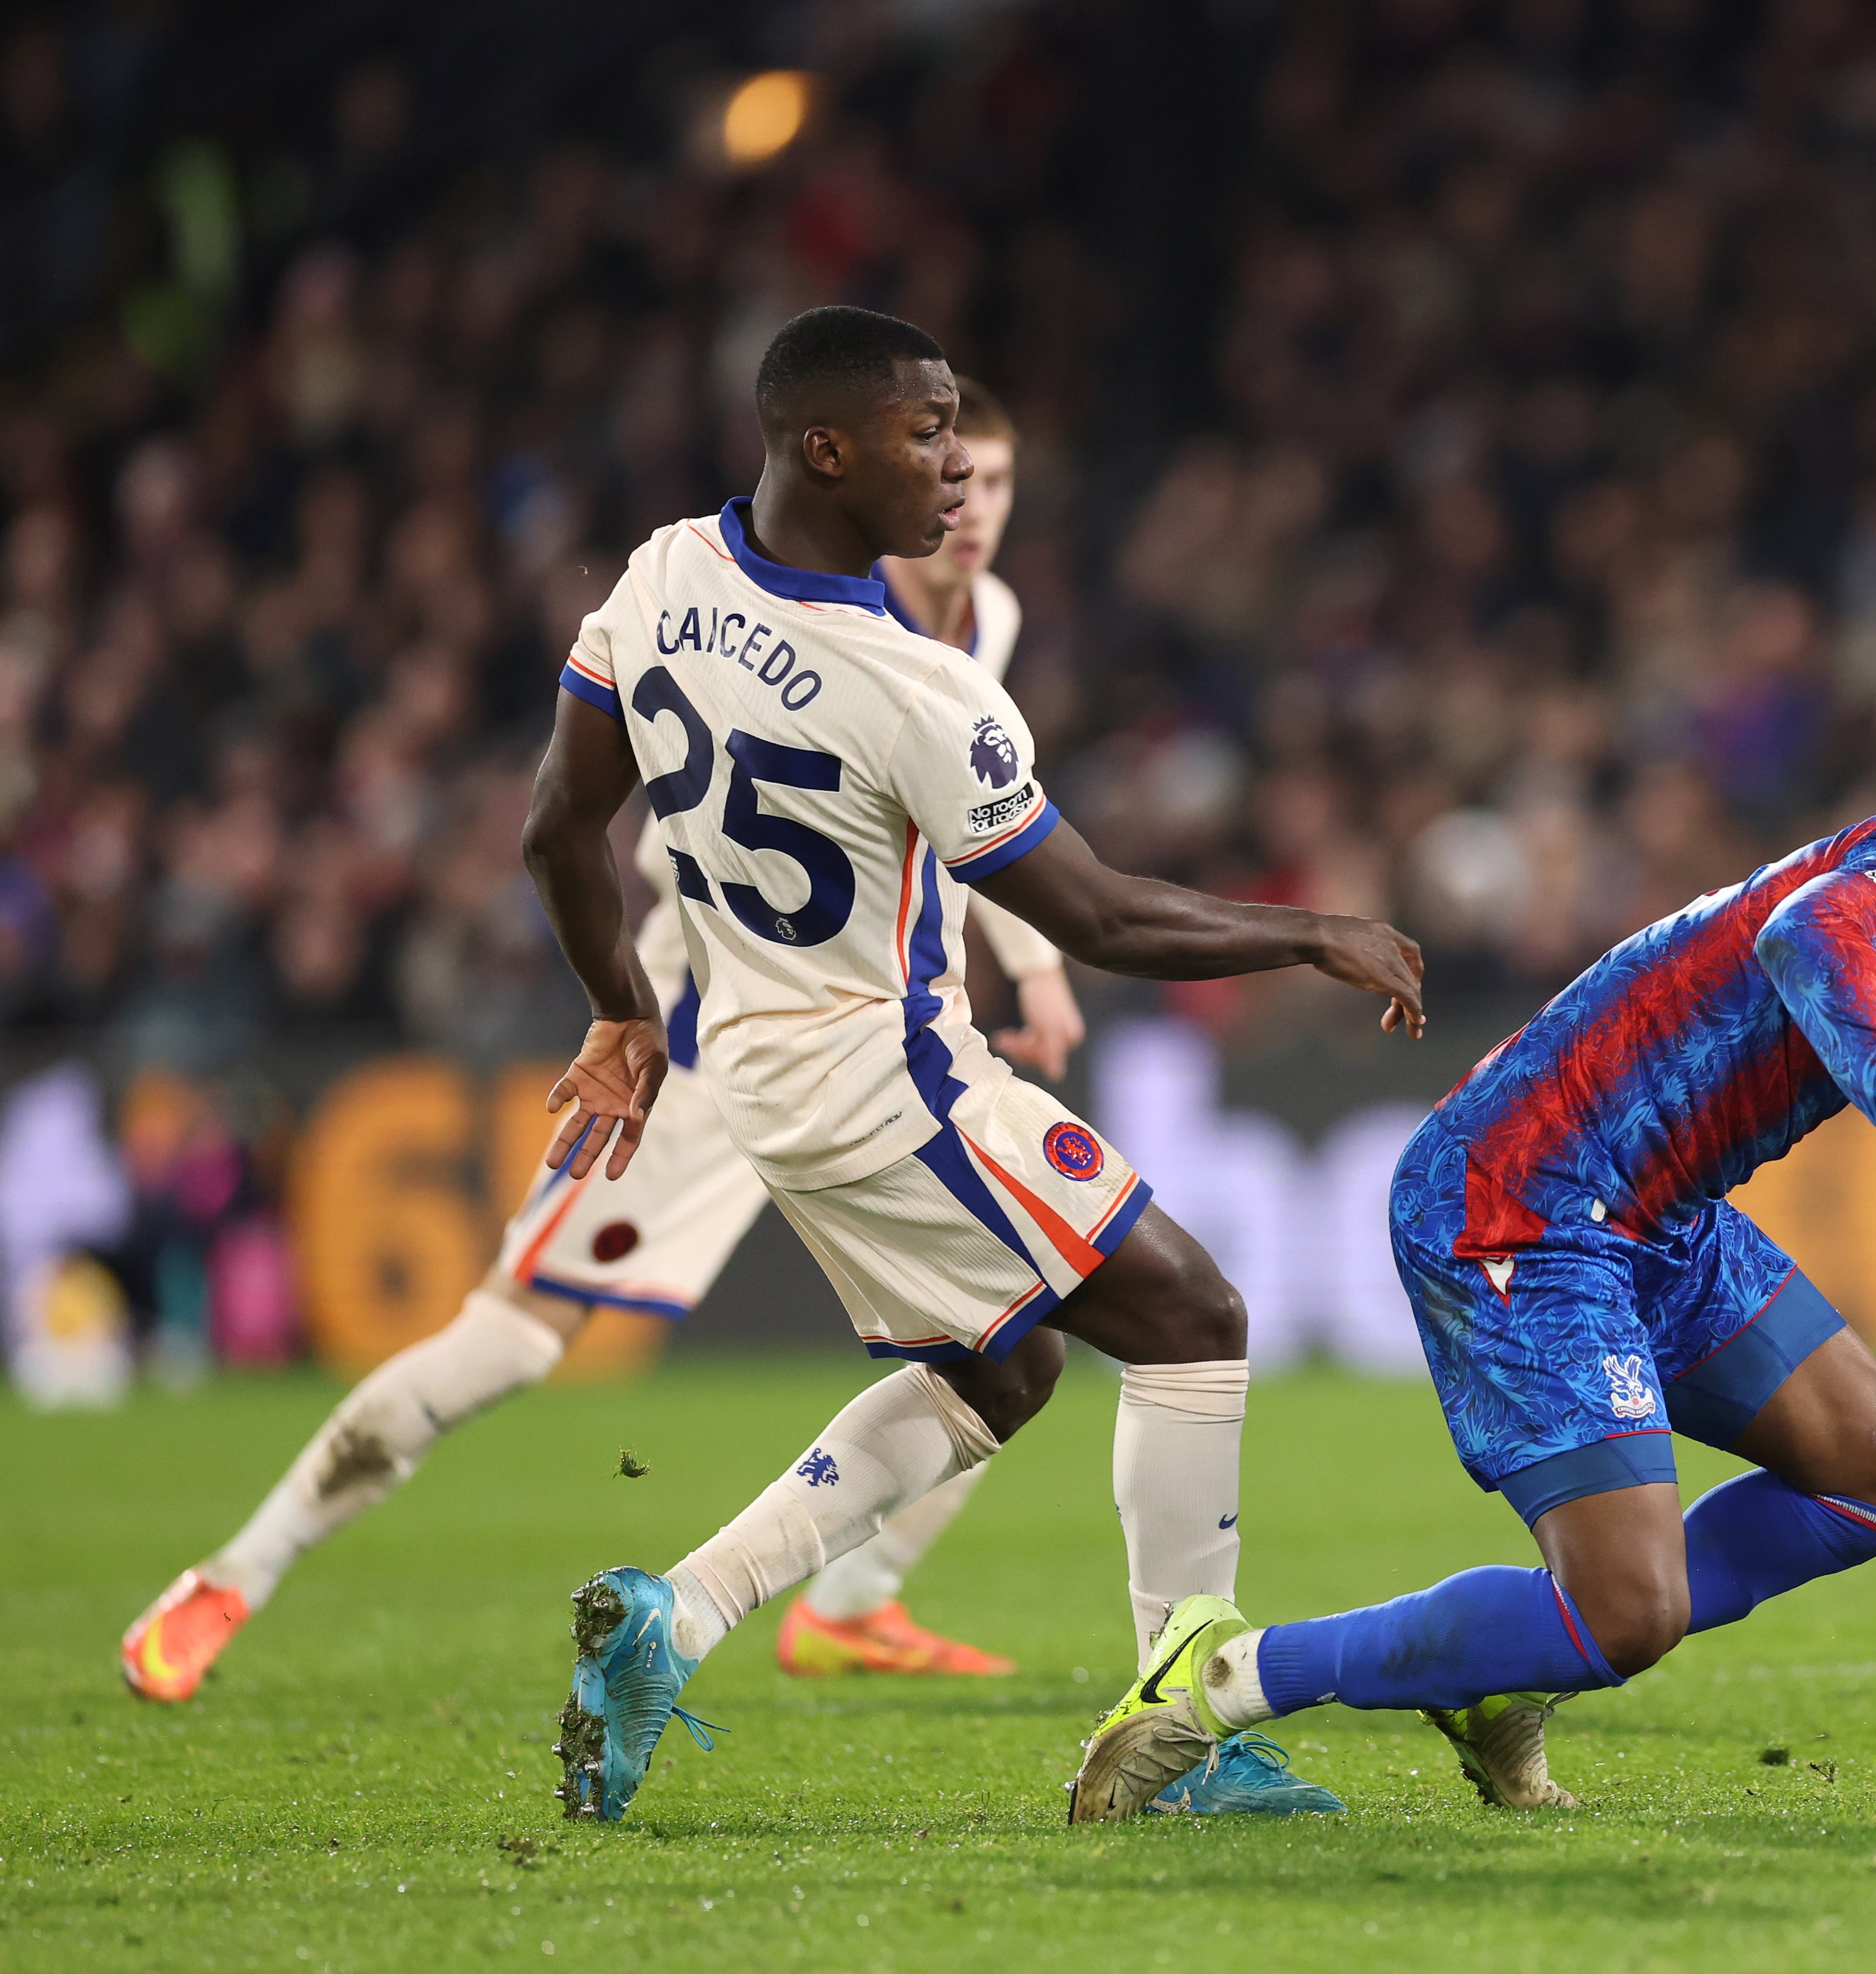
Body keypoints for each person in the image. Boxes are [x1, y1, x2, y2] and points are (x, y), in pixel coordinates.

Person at [1064, 699, 1876, 1821]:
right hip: (1522, 1202)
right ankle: (1227, 1675)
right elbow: (1809, 938)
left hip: (1660, 1221)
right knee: (1628, 1613)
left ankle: (1505, 1671)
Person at [522, 304, 1427, 1824]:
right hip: (889, 1078)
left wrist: (622, 1008)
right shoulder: (916, 684)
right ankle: (1185, 1733)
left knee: (1003, 1365)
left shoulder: (664, 572)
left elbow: (557, 825)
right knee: (1193, 1314)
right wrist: (1310, 927)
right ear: (827, 447)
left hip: (757, 1071)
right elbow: (1103, 916)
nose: (959, 465)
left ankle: (672, 1617)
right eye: (927, 430)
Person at [118, 381, 1087, 1705]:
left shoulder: (983, 631)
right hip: (706, 1052)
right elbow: (645, 826)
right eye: (947, 468)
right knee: (509, 1341)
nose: (969, 506)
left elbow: (953, 835)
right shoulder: (792, 615)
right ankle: (233, 1572)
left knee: (1029, 1308)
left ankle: (853, 1602)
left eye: (996, 482)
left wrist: (1025, 962)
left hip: (873, 1060)